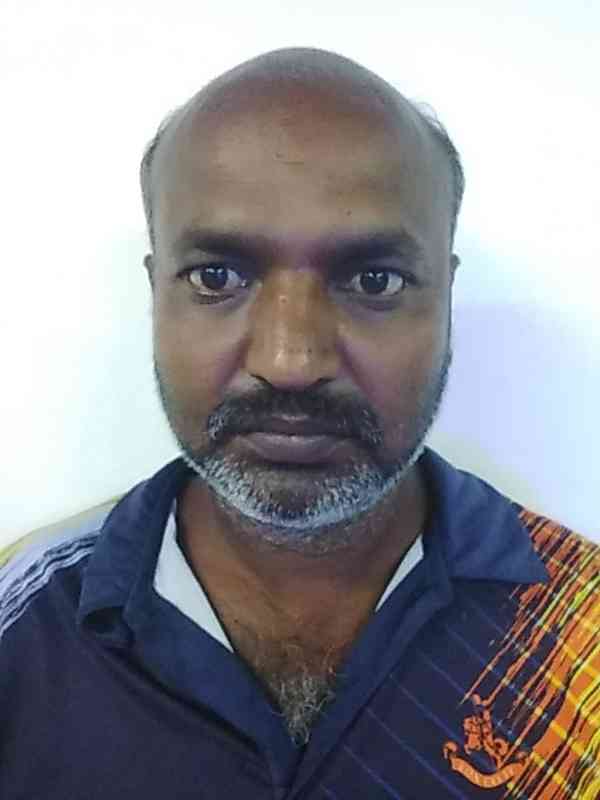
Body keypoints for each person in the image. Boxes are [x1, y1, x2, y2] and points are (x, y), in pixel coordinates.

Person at [1, 47, 598, 800]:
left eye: (374, 279)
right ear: (157, 295)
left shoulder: (583, 636)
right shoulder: (17, 621)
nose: (290, 361)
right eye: (217, 276)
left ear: (445, 297)